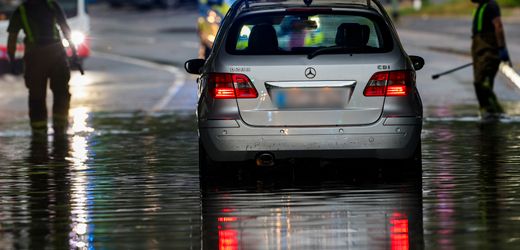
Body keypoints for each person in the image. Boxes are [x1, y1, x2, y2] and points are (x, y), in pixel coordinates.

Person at [6, 0, 78, 134]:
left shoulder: (21, 10)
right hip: (56, 56)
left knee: (37, 97)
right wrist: (74, 55)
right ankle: (60, 130)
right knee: (61, 93)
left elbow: (12, 37)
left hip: (35, 59)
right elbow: (65, 28)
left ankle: (39, 133)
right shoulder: (52, 5)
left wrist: (12, 60)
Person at [471, 0, 511, 118]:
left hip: (489, 52)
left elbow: (498, 25)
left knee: (483, 83)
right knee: (480, 83)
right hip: (479, 52)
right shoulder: (481, 7)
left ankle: (494, 112)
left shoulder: (491, 5)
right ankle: (488, 112)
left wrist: (502, 48)